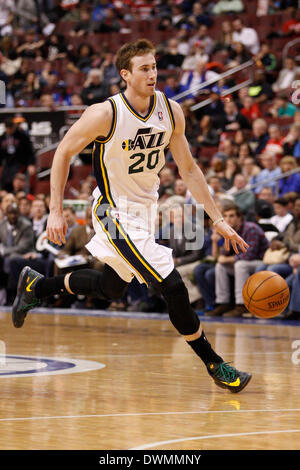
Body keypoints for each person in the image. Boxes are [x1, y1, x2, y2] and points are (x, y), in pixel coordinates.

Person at [12, 39, 251, 393]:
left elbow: (188, 168)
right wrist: (56, 210)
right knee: (172, 286)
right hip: (111, 210)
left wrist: (217, 219)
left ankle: (38, 285)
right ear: (126, 74)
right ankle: (215, 364)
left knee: (112, 287)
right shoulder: (105, 113)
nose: (152, 74)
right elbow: (61, 153)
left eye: (154, 67)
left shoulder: (171, 111)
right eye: (144, 68)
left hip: (143, 212)